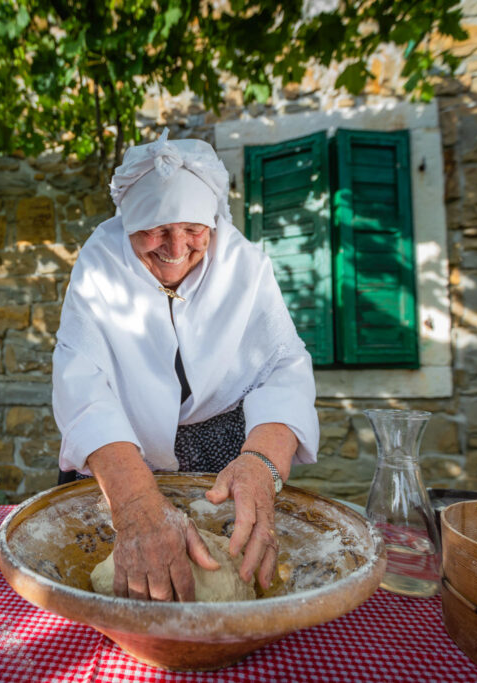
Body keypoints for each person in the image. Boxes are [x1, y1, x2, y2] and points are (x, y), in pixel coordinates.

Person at [52, 130, 319, 602]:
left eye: (193, 228)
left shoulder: (244, 267)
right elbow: (81, 381)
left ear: (213, 221)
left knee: (224, 581)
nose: (175, 247)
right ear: (127, 221)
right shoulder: (100, 266)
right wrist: (134, 503)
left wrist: (261, 463)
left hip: (225, 462)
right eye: (155, 228)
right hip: (119, 461)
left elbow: (282, 365)